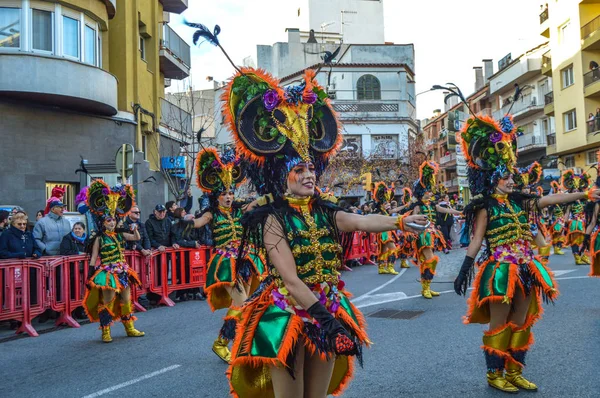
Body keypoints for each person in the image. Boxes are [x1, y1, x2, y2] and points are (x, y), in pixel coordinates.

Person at [220, 65, 427, 397]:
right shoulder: (272, 218)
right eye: (299, 170)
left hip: (327, 307)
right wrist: (325, 320)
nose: (308, 175)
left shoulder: (326, 210)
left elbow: (359, 222)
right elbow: (290, 280)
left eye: (311, 168)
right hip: (288, 314)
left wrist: (401, 222)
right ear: (282, 176)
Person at [453, 113, 600, 393]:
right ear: (495, 179)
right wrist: (464, 270)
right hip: (499, 271)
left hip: (525, 269)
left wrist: (582, 195)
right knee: (500, 322)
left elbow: (549, 199)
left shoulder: (521, 204)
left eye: (512, 177)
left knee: (521, 322)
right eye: (506, 177)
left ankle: (514, 371)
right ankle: (494, 374)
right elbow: (475, 242)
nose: (511, 180)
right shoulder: (485, 207)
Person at [191, 147, 267, 363]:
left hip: (247, 261)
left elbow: (258, 202)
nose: (228, 197)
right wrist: (185, 219)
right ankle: (229, 344)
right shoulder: (211, 213)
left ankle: (233, 343)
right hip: (225, 264)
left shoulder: (240, 209)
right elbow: (198, 222)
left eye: (231, 193)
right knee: (242, 304)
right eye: (224, 194)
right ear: (217, 196)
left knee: (246, 304)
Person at [82, 180, 145, 343]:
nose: (112, 222)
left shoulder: (119, 234)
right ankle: (106, 331)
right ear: (103, 223)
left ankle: (130, 328)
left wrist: (135, 229)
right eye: (108, 220)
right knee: (108, 302)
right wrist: (90, 273)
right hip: (108, 273)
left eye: (113, 220)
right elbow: (94, 256)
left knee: (126, 300)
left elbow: (136, 238)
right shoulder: (99, 238)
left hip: (122, 271)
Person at [410, 161, 462, 299]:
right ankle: (425, 287)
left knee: (428, 260)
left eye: (429, 191)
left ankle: (426, 287)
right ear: (421, 194)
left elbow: (446, 209)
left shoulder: (433, 205)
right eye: (426, 192)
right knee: (430, 260)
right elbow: (412, 220)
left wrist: (460, 212)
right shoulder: (417, 206)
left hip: (432, 235)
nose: (429, 194)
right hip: (423, 235)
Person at [561, 170, 592, 265]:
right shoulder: (570, 203)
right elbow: (566, 214)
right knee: (575, 241)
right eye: (574, 191)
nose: (576, 192)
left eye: (577, 191)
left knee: (588, 240)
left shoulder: (585, 201)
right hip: (575, 224)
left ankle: (585, 256)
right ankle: (577, 258)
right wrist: (565, 225)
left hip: (585, 223)